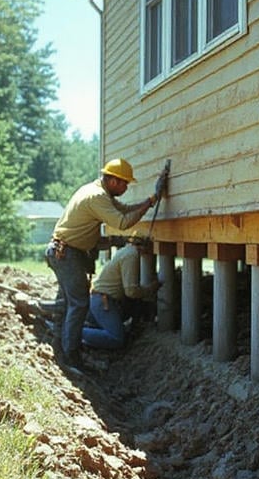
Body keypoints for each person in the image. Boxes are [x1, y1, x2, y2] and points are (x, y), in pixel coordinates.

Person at [45, 158, 168, 372]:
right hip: (67, 253)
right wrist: (151, 202)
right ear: (112, 180)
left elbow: (126, 209)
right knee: (79, 304)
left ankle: (63, 346)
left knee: (72, 303)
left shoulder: (98, 192)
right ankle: (71, 356)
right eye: (124, 183)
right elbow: (122, 222)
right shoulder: (97, 197)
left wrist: (152, 199)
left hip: (67, 252)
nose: (126, 187)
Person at [82, 235, 161, 350]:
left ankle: (79, 331)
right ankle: (73, 333)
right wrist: (151, 288)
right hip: (103, 302)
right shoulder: (131, 255)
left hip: (100, 300)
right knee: (116, 338)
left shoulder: (126, 251)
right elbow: (131, 291)